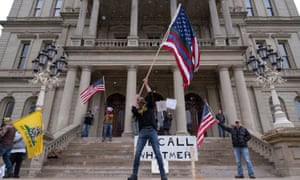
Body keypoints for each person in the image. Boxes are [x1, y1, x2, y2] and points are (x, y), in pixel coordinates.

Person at [128, 78, 167, 180]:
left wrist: (146, 84)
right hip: (142, 132)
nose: (140, 100)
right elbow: (133, 110)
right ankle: (134, 175)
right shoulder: (138, 111)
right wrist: (134, 102)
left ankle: (163, 175)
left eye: (141, 99)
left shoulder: (149, 106)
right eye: (139, 100)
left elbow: (150, 94)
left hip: (152, 131)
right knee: (137, 153)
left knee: (157, 153)